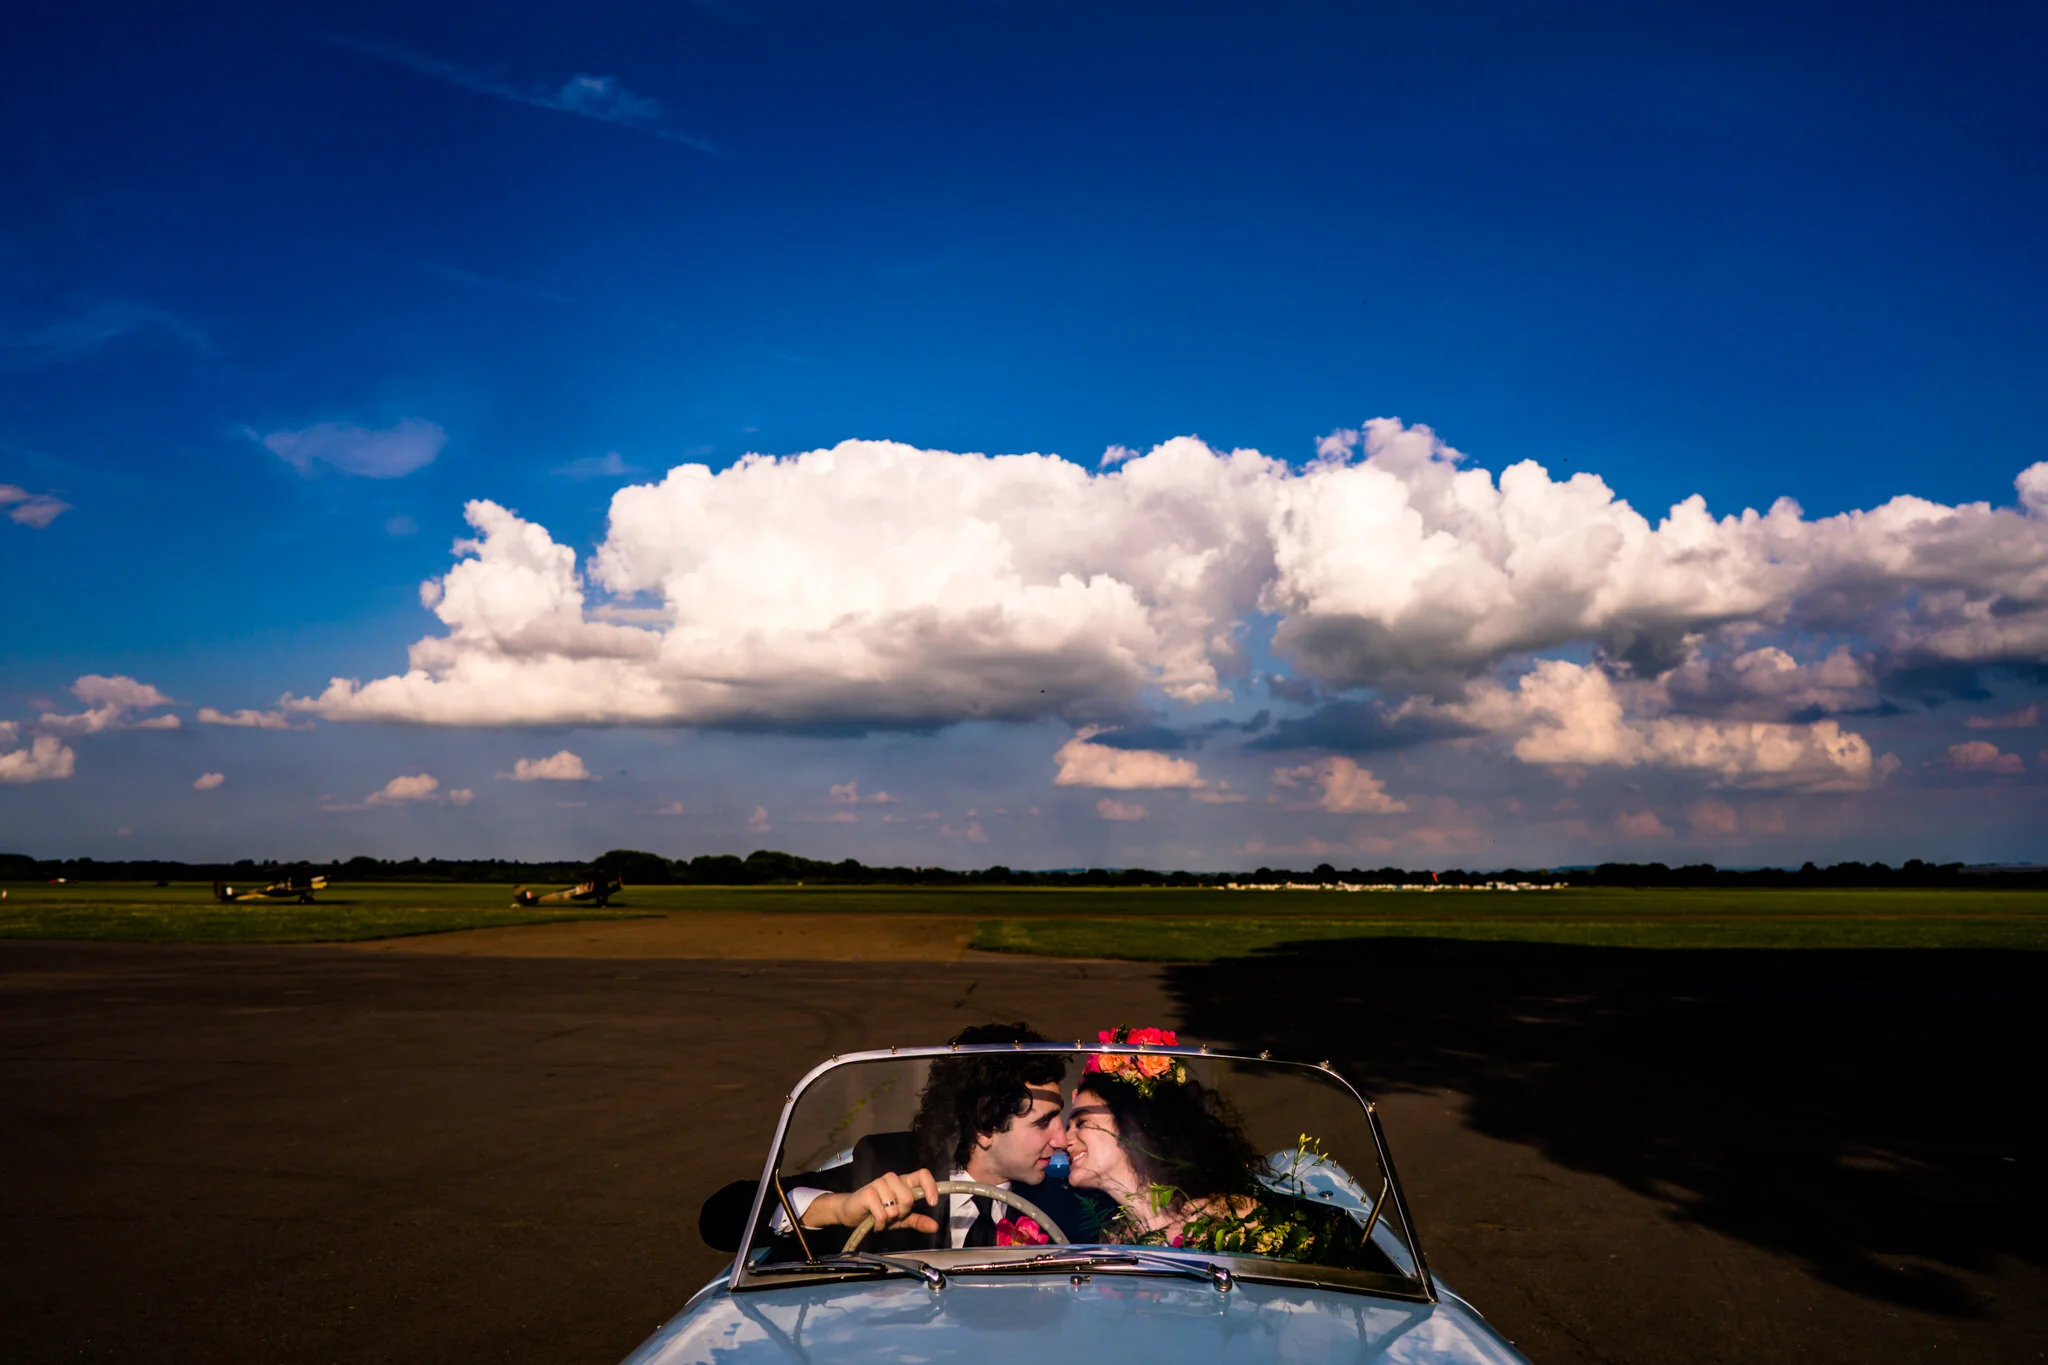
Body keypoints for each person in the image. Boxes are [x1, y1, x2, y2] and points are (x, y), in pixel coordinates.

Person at [699, 1022, 1105, 1254]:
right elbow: (720, 1218)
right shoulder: (886, 1162)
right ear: (984, 1127)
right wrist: (837, 1211)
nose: (1062, 1138)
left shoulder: (1065, 1198)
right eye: (1044, 1122)